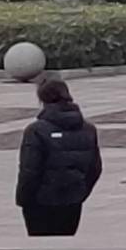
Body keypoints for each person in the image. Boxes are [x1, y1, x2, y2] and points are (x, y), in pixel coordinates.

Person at [14, 71, 103, 238]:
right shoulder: (88, 129)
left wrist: (24, 199)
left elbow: (29, 171)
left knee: (41, 249)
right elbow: (95, 168)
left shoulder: (35, 131)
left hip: (40, 204)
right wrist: (80, 192)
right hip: (72, 202)